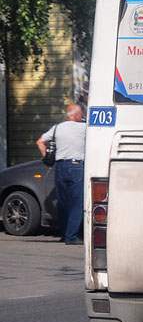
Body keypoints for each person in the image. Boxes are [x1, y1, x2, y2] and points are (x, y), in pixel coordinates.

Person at [37, 104, 87, 244]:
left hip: (59, 167)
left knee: (63, 203)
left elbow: (40, 142)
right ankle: (71, 237)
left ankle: (64, 234)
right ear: (77, 115)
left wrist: (47, 158)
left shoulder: (57, 128)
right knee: (77, 203)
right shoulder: (84, 128)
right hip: (76, 166)